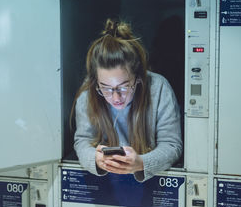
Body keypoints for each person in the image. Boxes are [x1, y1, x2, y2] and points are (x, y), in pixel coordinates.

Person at [71, 18, 182, 182]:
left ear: (137, 78)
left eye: (123, 87)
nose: (116, 98)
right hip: (107, 182)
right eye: (106, 88)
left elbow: (172, 145)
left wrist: (142, 163)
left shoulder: (158, 87)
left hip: (151, 181)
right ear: (96, 83)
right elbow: (82, 141)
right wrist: (95, 158)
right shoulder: (88, 92)